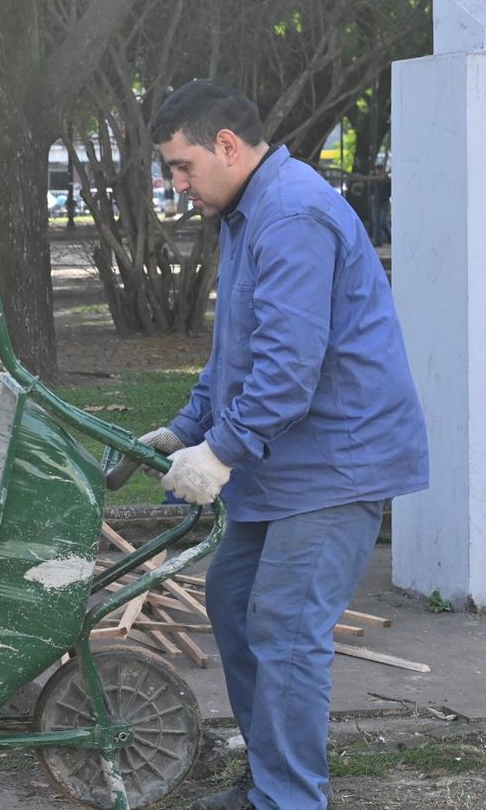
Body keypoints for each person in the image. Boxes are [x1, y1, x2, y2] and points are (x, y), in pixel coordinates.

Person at [140, 80, 427, 810]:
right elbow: (237, 351)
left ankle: (290, 800)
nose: (178, 185)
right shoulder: (247, 212)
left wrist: (220, 452)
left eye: (182, 167)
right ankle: (269, 783)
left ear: (227, 145)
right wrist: (187, 427)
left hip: (337, 462)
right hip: (287, 462)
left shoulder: (293, 213)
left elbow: (288, 372)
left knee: (285, 626)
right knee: (235, 601)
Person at [368, 163, 392, 246]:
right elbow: (370, 188)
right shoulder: (373, 178)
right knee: (375, 222)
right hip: (376, 202)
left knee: (382, 221)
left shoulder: (387, 180)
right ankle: (377, 241)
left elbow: (390, 191)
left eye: (380, 169)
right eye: (377, 169)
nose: (378, 171)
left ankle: (390, 237)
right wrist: (372, 195)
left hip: (384, 202)